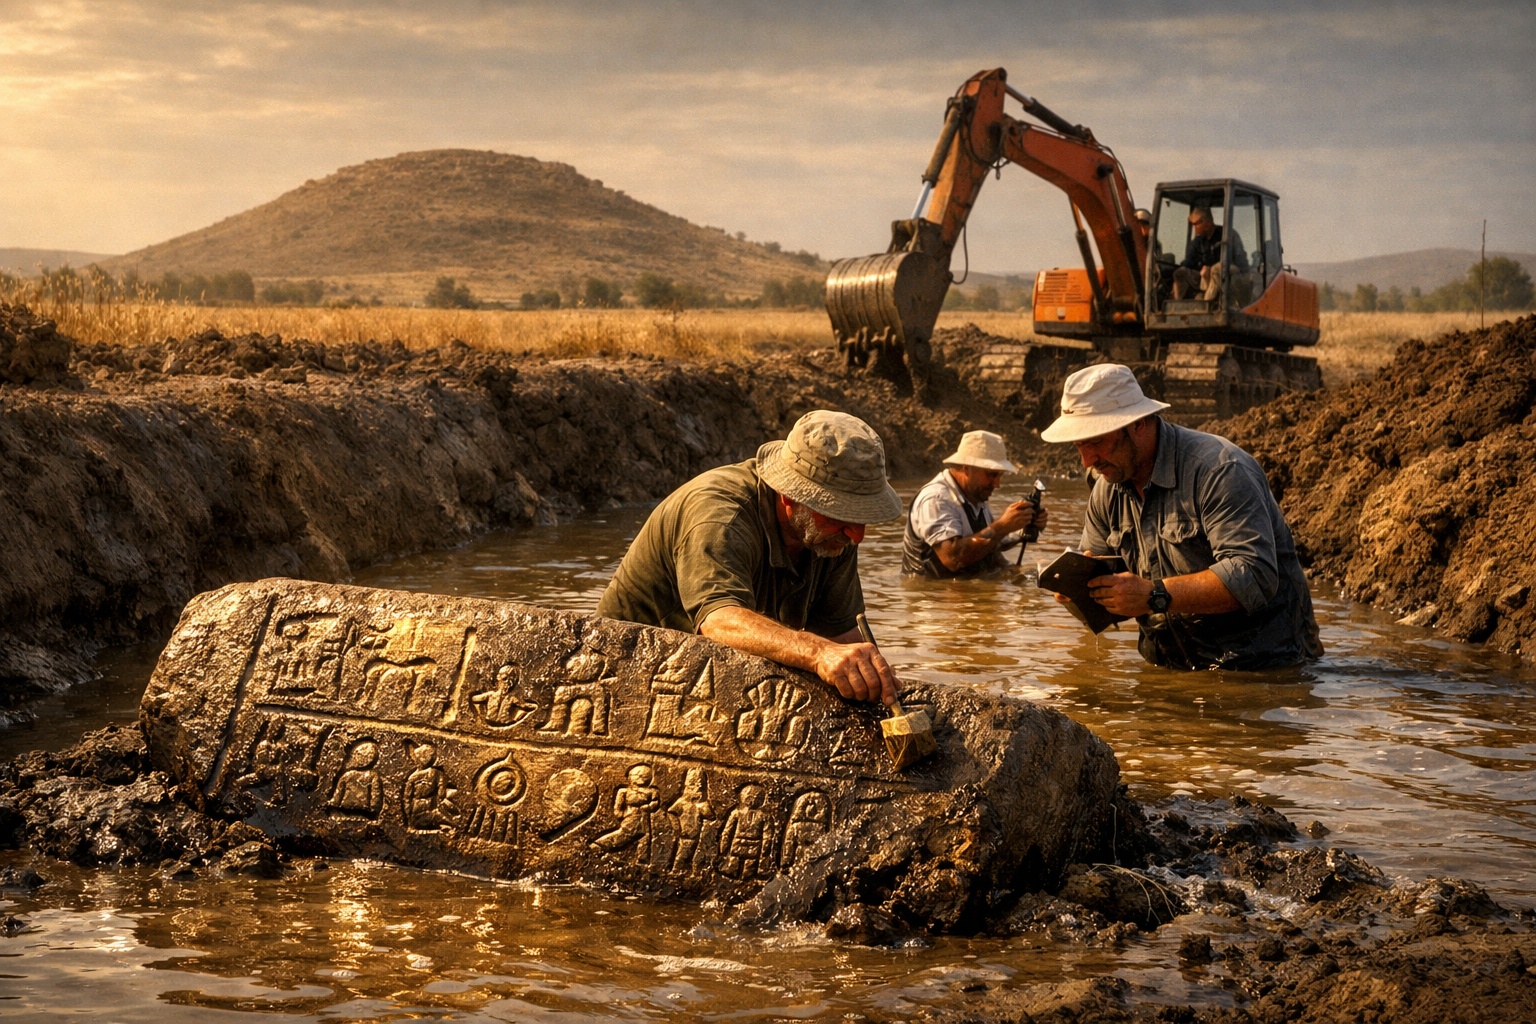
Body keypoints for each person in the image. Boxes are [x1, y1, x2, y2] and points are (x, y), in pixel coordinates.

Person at [598, 409, 903, 705]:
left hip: (706, 674)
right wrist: (817, 652)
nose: (857, 535)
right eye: (842, 513)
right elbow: (719, 622)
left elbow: (841, 634)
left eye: (861, 516)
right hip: (622, 671)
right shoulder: (720, 516)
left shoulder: (834, 535)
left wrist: (874, 677)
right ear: (790, 495)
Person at [1039, 363, 1322, 670]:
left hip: (1265, 667)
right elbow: (1115, 606)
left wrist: (1154, 595)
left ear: (1138, 424)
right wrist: (1081, 593)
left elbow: (1254, 575)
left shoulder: (1219, 470)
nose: (1087, 461)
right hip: (1172, 667)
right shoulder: (1106, 489)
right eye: (1079, 446)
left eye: (1096, 442)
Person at [902, 430, 1048, 578]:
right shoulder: (936, 499)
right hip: (935, 590)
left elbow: (990, 542)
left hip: (966, 584)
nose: (997, 484)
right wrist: (1003, 526)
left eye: (999, 475)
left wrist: (1023, 527)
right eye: (991, 474)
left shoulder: (974, 495)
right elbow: (952, 558)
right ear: (966, 468)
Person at [1171, 206, 1247, 301]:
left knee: (1216, 269)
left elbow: (1240, 261)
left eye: (1196, 224)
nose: (1195, 228)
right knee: (1180, 272)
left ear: (1207, 223)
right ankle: (1177, 304)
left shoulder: (1228, 235)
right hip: (1205, 278)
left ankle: (1206, 303)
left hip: (1230, 277)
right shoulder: (1198, 241)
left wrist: (1210, 269)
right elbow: (1188, 263)